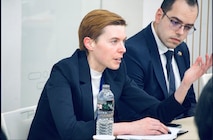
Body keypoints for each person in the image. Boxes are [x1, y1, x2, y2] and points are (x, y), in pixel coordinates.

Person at [27, 9, 212, 140]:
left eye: (123, 41)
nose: (123, 49)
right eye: (114, 41)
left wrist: (186, 83)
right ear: (89, 43)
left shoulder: (115, 73)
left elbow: (158, 112)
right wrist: (129, 127)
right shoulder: (64, 72)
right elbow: (70, 132)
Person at [124, 0, 211, 118]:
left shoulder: (181, 49)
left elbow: (190, 102)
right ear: (159, 16)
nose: (180, 32)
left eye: (188, 27)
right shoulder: (132, 51)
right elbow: (135, 112)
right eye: (175, 22)